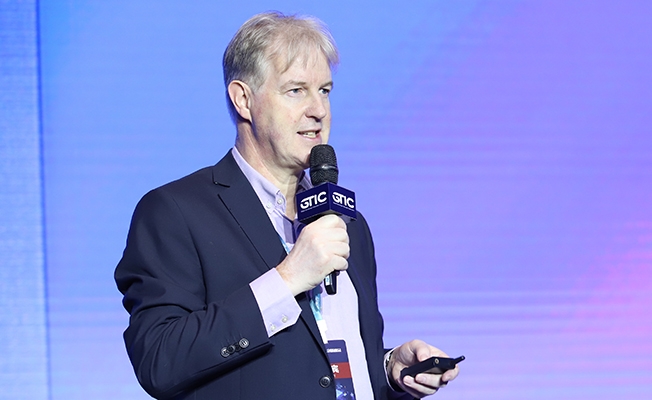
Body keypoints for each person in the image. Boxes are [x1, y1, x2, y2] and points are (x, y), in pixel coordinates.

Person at [115, 11, 459, 400]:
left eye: (324, 91)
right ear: (243, 99)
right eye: (296, 90)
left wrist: (389, 370)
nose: (319, 110)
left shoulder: (347, 223)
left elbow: (326, 361)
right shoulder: (176, 212)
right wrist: (287, 280)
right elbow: (160, 360)